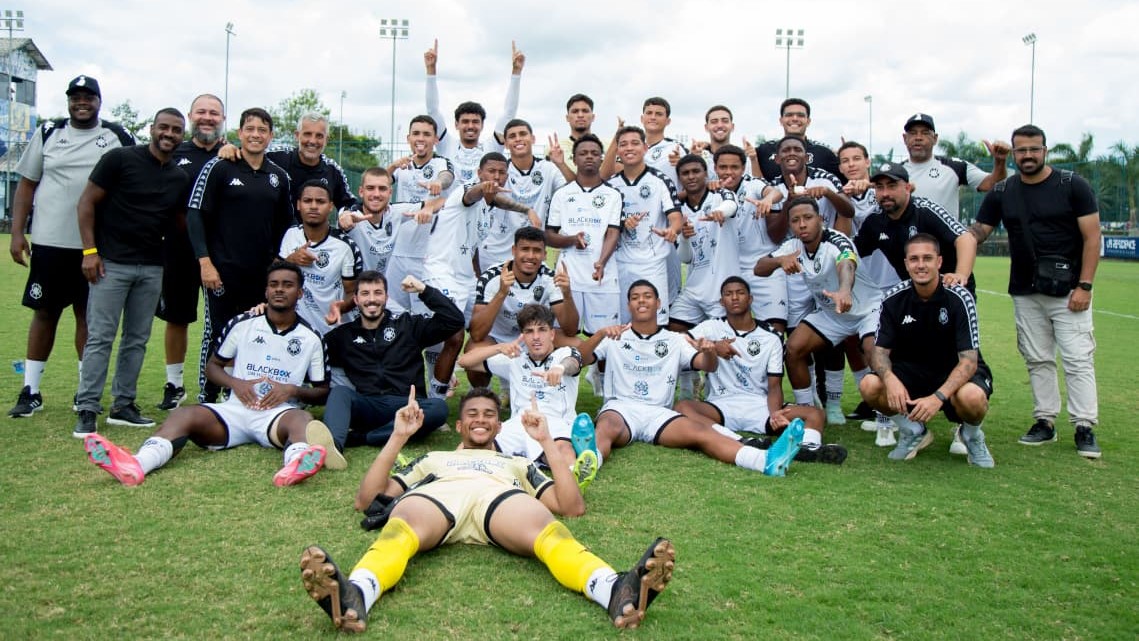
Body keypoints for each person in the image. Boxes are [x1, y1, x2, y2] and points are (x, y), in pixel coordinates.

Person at [299, 387, 675, 632]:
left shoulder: (518, 463)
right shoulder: (432, 457)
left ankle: (612, 589)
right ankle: (357, 594)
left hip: (499, 497)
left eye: (490, 414)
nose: (481, 419)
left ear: (499, 425)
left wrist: (544, 439)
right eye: (473, 414)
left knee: (550, 529)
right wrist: (399, 436)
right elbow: (365, 500)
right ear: (459, 424)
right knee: (400, 526)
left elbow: (572, 507)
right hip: (441, 496)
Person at [83, 262, 334, 487]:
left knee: (301, 418)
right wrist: (236, 382)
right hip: (234, 411)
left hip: (277, 416)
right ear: (266, 291)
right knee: (184, 414)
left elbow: (322, 391)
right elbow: (212, 367)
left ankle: (295, 464)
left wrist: (291, 390)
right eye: (274, 285)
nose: (280, 290)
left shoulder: (311, 338)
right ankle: (136, 464)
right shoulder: (242, 324)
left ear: (300, 292)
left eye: (288, 285)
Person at [579, 280, 805, 476]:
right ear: (629, 305)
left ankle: (765, 461)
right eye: (635, 298)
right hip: (622, 408)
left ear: (658, 303)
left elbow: (707, 365)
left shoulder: (675, 340)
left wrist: (709, 351)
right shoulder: (614, 336)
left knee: (701, 432)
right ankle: (587, 465)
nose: (641, 301)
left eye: (647, 296)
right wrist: (598, 335)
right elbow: (582, 358)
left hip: (659, 412)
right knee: (606, 426)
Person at [970, 124, 1102, 459]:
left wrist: (1085, 285)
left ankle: (1084, 425)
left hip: (1070, 290)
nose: (1027, 156)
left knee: (1077, 359)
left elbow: (1092, 237)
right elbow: (979, 230)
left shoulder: (1072, 185)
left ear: (1045, 150)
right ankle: (1045, 421)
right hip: (1026, 291)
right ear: (1013, 153)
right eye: (1021, 150)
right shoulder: (1003, 191)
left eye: (1034, 149)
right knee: (1037, 359)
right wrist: (945, 238)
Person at [8, 75, 134, 418]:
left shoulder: (116, 135)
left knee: (88, 318)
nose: (82, 102)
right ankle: (31, 390)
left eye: (88, 97)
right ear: (68, 101)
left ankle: (84, 391)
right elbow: (26, 185)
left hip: (94, 246)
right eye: (75, 97)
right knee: (45, 313)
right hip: (50, 243)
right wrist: (18, 232)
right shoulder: (50, 132)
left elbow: (136, 179)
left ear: (99, 101)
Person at [72, 108, 190, 437]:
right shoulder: (120, 160)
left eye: (176, 130)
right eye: (164, 127)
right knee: (100, 337)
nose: (169, 134)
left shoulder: (178, 177)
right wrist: (90, 251)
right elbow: (86, 203)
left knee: (137, 339)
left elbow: (180, 223)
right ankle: (87, 407)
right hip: (111, 263)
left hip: (152, 267)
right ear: (152, 129)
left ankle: (123, 404)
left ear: (182, 135)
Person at [676, 277, 846, 464]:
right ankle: (741, 441)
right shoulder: (712, 327)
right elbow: (681, 341)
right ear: (721, 301)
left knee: (815, 414)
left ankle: (809, 448)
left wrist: (774, 413)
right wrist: (714, 347)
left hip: (759, 406)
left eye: (740, 293)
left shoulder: (771, 336)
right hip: (720, 404)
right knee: (682, 407)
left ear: (750, 299)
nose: (734, 298)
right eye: (728, 294)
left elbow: (774, 385)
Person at [187, 107, 294, 403]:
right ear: (240, 132)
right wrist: (205, 262)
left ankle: (238, 392)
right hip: (222, 270)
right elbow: (195, 215)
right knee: (219, 332)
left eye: (262, 130)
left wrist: (278, 263)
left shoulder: (279, 177)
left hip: (262, 274)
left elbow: (287, 226)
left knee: (254, 331)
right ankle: (208, 395)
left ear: (270, 136)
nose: (256, 135)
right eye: (250, 129)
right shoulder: (220, 167)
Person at [859, 234, 995, 466]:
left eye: (927, 258)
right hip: (913, 370)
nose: (920, 265)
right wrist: (890, 379)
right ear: (906, 264)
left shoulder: (959, 297)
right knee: (870, 385)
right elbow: (879, 352)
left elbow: (969, 362)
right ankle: (913, 432)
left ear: (939, 262)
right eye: (914, 259)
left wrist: (937, 397)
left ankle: (972, 437)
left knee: (971, 398)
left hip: (954, 371)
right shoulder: (893, 298)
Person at [414, 152, 538, 399]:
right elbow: (476, 193)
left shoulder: (487, 205)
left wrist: (526, 209)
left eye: (502, 172)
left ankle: (503, 385)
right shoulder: (465, 193)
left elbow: (493, 202)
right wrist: (484, 186)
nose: (496, 176)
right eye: (491, 171)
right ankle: (435, 400)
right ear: (480, 173)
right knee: (453, 333)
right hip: (441, 274)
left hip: (466, 280)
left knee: (490, 325)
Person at [754, 197, 881, 411]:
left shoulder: (836, 241)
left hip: (867, 311)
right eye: (795, 220)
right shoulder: (792, 246)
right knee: (793, 349)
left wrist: (844, 290)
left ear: (821, 219)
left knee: (873, 350)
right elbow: (759, 268)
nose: (802, 224)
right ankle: (807, 410)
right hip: (833, 315)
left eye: (808, 218)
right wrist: (779, 261)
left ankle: (886, 420)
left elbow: (846, 264)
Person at [322, 271, 463, 452]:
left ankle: (364, 437)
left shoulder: (407, 325)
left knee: (439, 408)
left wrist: (423, 290)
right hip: (369, 405)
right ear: (355, 300)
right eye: (365, 294)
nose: (372, 299)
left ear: (387, 298)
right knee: (340, 393)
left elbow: (454, 320)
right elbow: (313, 356)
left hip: (409, 405)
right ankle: (332, 447)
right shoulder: (342, 336)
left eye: (378, 293)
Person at [459, 303, 597, 485]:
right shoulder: (515, 360)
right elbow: (464, 361)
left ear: (552, 334)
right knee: (476, 446)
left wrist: (560, 368)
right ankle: (450, 471)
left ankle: (576, 478)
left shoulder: (564, 354)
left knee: (563, 451)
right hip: (519, 424)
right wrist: (499, 347)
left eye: (542, 330)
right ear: (523, 336)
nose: (536, 337)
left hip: (557, 424)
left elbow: (573, 362)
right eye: (530, 331)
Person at [156, 93, 228, 411]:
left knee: (224, 321)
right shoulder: (175, 154)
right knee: (177, 317)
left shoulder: (232, 155)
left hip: (222, 254)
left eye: (214, 113)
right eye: (202, 112)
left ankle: (222, 383)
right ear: (191, 116)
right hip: (179, 251)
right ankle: (174, 385)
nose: (208, 117)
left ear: (222, 119)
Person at [836, 141, 900, 441]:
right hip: (862, 282)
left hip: (893, 280)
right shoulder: (840, 196)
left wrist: (868, 188)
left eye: (856, 159)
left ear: (868, 162)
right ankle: (877, 402)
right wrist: (845, 198)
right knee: (860, 343)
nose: (851, 164)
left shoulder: (882, 192)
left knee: (886, 347)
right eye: (845, 160)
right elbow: (844, 237)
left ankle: (894, 407)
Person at [467, 226, 578, 387]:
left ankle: (549, 393)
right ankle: (484, 396)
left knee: (577, 346)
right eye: (525, 249)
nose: (530, 256)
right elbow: (477, 333)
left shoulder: (550, 278)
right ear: (514, 250)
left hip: (533, 335)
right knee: (473, 349)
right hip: (497, 338)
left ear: (545, 254)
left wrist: (567, 294)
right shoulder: (492, 276)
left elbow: (570, 330)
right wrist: (501, 292)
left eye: (537, 251)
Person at [545, 134, 623, 335]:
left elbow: (613, 232)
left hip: (602, 278)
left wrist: (602, 262)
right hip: (568, 277)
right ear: (574, 158)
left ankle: (600, 368)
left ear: (601, 158)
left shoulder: (613, 195)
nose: (589, 157)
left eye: (595, 153)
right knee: (563, 335)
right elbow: (549, 235)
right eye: (583, 153)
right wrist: (572, 240)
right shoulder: (562, 194)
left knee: (606, 337)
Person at [606, 126, 683, 325]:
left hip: (652, 264)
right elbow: (605, 227)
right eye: (623, 144)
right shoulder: (611, 186)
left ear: (645, 148)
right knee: (622, 326)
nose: (629, 148)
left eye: (634, 143)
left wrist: (672, 230)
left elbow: (675, 215)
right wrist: (622, 224)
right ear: (618, 151)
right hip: (620, 264)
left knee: (656, 323)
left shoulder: (660, 181)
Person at [425, 39, 523, 185]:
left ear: (482, 125)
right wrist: (430, 71)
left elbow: (509, 113)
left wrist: (516, 73)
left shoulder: (491, 147)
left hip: (481, 207)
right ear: (456, 124)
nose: (470, 126)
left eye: (475, 122)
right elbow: (432, 110)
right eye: (465, 121)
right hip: (450, 208)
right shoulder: (446, 145)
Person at [218, 111, 356, 210]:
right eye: (307, 134)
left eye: (319, 136)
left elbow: (350, 204)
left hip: (314, 245)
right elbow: (251, 152)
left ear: (327, 139)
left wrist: (347, 214)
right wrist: (232, 148)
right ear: (297, 136)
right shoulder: (275, 156)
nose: (312, 141)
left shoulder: (333, 170)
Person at [385, 114, 454, 312]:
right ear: (408, 139)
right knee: (393, 313)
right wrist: (391, 167)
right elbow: (378, 183)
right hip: (399, 251)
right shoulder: (402, 166)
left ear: (436, 140)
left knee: (426, 318)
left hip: (427, 255)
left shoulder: (442, 163)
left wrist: (438, 183)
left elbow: (447, 177)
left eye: (426, 134)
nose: (421, 138)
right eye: (416, 133)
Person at [713, 145, 786, 330]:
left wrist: (767, 200)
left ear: (743, 167)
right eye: (723, 167)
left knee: (775, 326)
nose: (728, 172)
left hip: (762, 266)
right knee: (730, 330)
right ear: (715, 169)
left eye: (734, 167)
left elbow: (776, 192)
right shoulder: (712, 191)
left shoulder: (752, 184)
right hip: (729, 270)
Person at [480, 118, 566, 272]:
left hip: (531, 254)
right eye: (512, 136)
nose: (518, 138)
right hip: (495, 252)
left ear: (532, 139)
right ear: (505, 144)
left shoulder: (548, 169)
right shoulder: (498, 170)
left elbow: (570, 193)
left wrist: (561, 164)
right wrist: (526, 209)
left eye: (522, 134)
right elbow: (489, 196)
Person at [279, 180, 363, 335]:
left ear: (331, 207)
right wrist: (291, 259)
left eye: (320, 201)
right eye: (307, 201)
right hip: (295, 330)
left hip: (331, 329)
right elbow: (275, 273)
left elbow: (352, 292)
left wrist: (340, 307)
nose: (313, 206)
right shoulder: (291, 235)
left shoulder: (345, 246)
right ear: (298, 205)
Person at [898, 113, 1008, 217]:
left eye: (925, 133)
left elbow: (992, 184)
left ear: (935, 139)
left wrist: (1000, 161)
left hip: (945, 237)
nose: (918, 137)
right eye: (913, 133)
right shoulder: (895, 173)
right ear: (905, 138)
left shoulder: (955, 166)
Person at [754, 98, 841, 181]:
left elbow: (844, 185)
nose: (795, 119)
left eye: (800, 115)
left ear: (808, 121)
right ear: (781, 120)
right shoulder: (763, 151)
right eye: (789, 115)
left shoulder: (824, 153)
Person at [550, 93, 595, 178]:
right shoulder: (554, 148)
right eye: (575, 111)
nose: (580, 115)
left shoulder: (608, 146)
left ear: (593, 117)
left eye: (585, 111)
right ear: (567, 117)